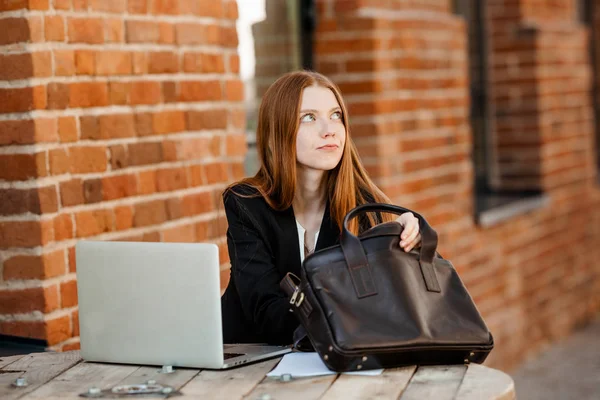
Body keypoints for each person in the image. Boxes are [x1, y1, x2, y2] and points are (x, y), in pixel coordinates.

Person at [220, 71, 422, 345]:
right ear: (276, 133)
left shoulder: (363, 210)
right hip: (246, 361)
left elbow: (391, 306)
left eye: (336, 115)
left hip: (333, 365)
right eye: (309, 117)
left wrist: (397, 243)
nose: (329, 129)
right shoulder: (247, 205)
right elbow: (267, 315)